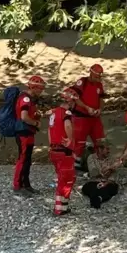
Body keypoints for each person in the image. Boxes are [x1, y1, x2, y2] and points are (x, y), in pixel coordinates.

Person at [47, 87, 79, 216]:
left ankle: (63, 206)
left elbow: (49, 131)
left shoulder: (53, 114)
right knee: (66, 179)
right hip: (64, 151)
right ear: (70, 102)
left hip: (54, 150)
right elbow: (67, 125)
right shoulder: (66, 114)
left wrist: (51, 146)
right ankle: (59, 208)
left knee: (61, 177)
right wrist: (70, 140)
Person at [13, 75, 46, 195]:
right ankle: (18, 186)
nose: (41, 92)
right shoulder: (26, 99)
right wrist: (35, 122)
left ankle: (26, 184)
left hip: (29, 132)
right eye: (40, 89)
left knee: (27, 160)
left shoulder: (30, 99)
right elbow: (24, 117)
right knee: (22, 159)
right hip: (24, 133)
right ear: (34, 88)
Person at [71, 64, 107, 172]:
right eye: (96, 76)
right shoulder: (82, 82)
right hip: (81, 118)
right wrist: (87, 108)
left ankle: (101, 165)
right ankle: (75, 167)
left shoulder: (99, 85)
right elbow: (75, 97)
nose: (98, 79)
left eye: (99, 77)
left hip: (95, 118)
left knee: (100, 140)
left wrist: (100, 109)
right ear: (91, 73)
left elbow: (101, 98)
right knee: (79, 143)